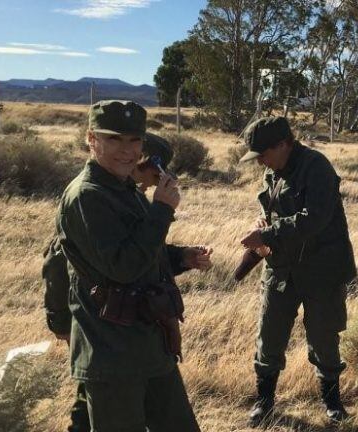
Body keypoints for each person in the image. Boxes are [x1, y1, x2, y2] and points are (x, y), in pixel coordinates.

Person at [55, 100, 211, 432]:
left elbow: (142, 253)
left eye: (134, 141)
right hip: (112, 352)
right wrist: (162, 211)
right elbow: (122, 268)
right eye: (114, 139)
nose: (127, 151)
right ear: (91, 139)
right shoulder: (87, 196)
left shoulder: (124, 188)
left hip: (149, 345)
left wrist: (180, 257)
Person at [238, 116, 356, 426]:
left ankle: (332, 403)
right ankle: (264, 402)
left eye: (263, 153)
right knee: (269, 336)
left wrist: (266, 235)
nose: (260, 161)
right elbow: (274, 210)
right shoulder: (273, 170)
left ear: (283, 144)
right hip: (281, 269)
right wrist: (262, 225)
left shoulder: (318, 168)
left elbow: (313, 219)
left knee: (324, 339)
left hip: (322, 272)